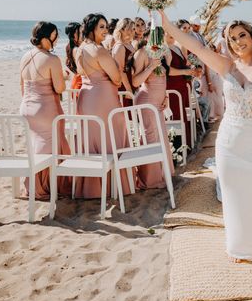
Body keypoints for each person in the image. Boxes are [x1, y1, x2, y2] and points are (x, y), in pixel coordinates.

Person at [159, 10, 252, 273]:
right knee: (234, 193)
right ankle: (239, 244)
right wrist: (168, 25)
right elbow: (195, 46)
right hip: (229, 141)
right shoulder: (225, 66)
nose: (238, 42)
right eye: (232, 38)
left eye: (242, 35)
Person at [74, 13, 134, 198]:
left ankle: (92, 188)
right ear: (91, 28)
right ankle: (112, 186)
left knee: (92, 138)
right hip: (103, 98)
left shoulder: (79, 49)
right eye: (101, 26)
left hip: (86, 98)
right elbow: (117, 79)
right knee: (110, 136)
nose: (105, 30)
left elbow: (81, 73)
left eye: (106, 26)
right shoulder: (99, 51)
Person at [19, 22, 72, 199]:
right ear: (45, 37)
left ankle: (34, 183)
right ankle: (43, 187)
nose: (56, 40)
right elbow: (59, 88)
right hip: (45, 108)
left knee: (37, 145)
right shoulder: (51, 59)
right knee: (49, 145)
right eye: (54, 36)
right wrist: (64, 76)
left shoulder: (25, 56)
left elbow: (22, 85)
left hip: (26, 107)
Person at [131, 28, 176, 188]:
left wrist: (166, 97)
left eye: (161, 35)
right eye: (155, 34)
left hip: (159, 102)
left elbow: (164, 78)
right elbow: (135, 82)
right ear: (147, 35)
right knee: (151, 138)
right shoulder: (142, 53)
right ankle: (151, 180)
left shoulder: (164, 52)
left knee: (161, 137)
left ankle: (164, 175)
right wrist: (150, 67)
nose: (158, 38)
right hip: (146, 101)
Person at [164, 22, 200, 148]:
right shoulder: (164, 49)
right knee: (176, 117)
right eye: (169, 31)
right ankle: (177, 148)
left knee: (183, 115)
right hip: (173, 88)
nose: (172, 34)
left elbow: (185, 64)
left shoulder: (177, 47)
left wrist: (192, 69)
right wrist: (185, 71)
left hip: (182, 87)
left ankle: (186, 145)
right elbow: (167, 71)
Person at [112, 18, 136, 105]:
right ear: (122, 29)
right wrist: (128, 89)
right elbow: (120, 70)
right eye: (130, 28)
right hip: (124, 85)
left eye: (133, 29)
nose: (133, 31)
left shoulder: (129, 44)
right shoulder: (120, 46)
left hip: (131, 81)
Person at [64, 21, 83, 89]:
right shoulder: (76, 50)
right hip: (80, 83)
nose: (82, 35)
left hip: (77, 81)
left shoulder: (69, 47)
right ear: (74, 34)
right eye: (80, 32)